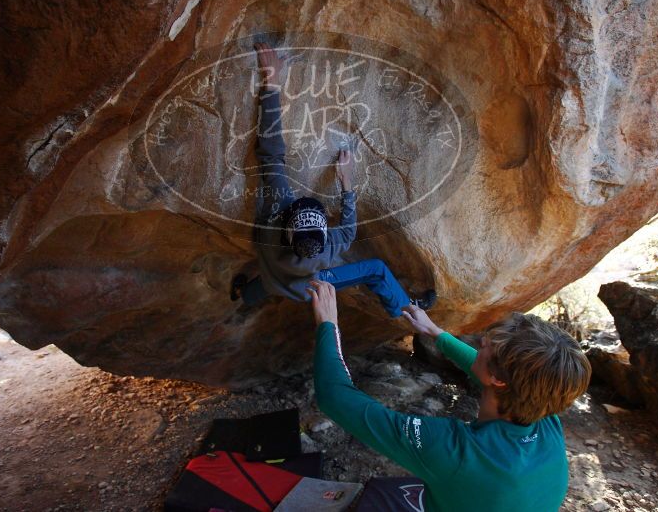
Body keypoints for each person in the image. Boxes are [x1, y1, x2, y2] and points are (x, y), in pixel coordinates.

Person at [306, 279, 592, 512]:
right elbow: (488, 372)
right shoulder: (546, 418)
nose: (481, 342)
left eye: (487, 347)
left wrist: (328, 324)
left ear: (497, 379)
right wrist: (436, 333)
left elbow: (335, 397)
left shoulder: (457, 450)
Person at [231, 42, 436, 317]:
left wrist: (271, 82)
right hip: (309, 287)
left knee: (268, 283)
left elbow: (270, 152)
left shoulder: (274, 219)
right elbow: (349, 231)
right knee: (375, 270)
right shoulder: (328, 252)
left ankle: (244, 294)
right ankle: (407, 310)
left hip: (274, 278)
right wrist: (347, 183)